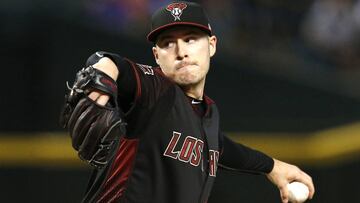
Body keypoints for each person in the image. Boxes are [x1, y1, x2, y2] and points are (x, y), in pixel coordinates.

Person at [63, 1, 315, 203]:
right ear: (156, 56)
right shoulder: (153, 89)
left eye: (191, 39)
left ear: (212, 45)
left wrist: (272, 166)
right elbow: (113, 64)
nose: (181, 51)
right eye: (168, 43)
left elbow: (218, 146)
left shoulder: (208, 112)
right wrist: (103, 70)